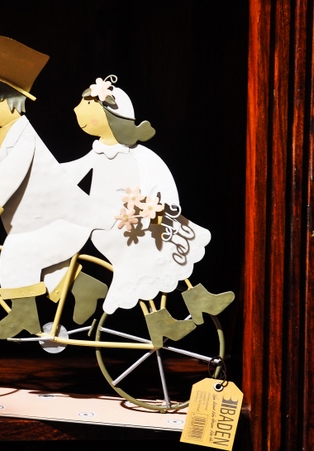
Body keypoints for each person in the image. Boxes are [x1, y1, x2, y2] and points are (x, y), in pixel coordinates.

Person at [62, 75, 234, 347]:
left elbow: (158, 177)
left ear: (111, 115)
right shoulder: (98, 153)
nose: (77, 110)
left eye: (88, 105)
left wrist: (158, 205)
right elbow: (68, 174)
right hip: (112, 227)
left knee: (171, 239)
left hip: (137, 219)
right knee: (147, 258)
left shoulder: (137, 154)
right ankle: (168, 317)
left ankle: (196, 300)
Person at [0, 36, 115, 339]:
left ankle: (24, 316)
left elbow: (9, 175)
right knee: (47, 265)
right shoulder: (9, 133)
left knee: (16, 253)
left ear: (4, 101)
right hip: (48, 222)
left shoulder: (22, 135)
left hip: (61, 221)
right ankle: (86, 288)